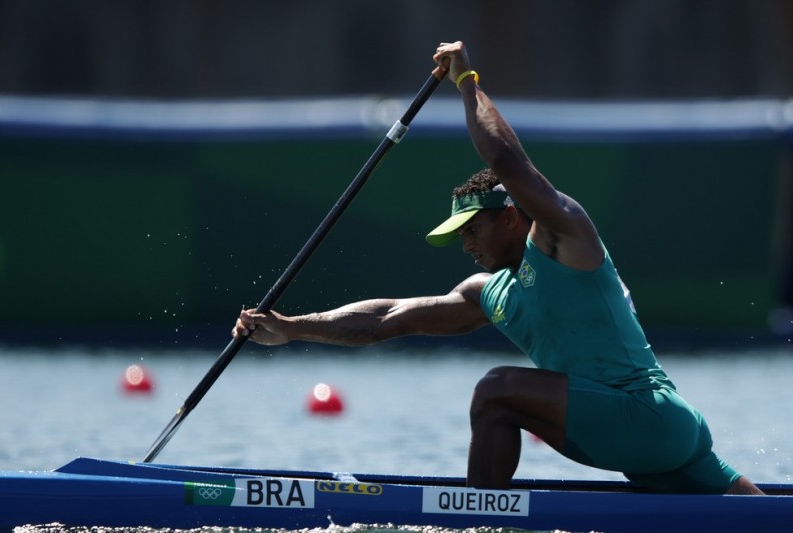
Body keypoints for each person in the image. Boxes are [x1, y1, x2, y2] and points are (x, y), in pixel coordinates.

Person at [233, 41, 763, 495]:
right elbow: (390, 316)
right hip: (665, 438)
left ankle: (476, 520)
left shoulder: (563, 236)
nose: (465, 246)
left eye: (471, 230)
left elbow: (507, 164)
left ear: (510, 217)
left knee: (495, 393)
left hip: (643, 415)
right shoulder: (489, 292)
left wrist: (466, 80)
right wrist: (290, 328)